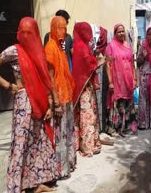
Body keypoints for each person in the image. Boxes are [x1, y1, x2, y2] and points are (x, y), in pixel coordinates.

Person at [0, 17, 59, 192]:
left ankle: (37, 183)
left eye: (29, 32)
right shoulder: (14, 51)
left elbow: (46, 80)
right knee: (20, 143)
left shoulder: (40, 52)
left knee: (39, 141)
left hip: (40, 102)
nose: (26, 35)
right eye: (22, 32)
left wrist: (49, 104)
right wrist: (7, 85)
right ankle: (17, 186)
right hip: (24, 102)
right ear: (18, 33)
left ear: (36, 33)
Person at [44, 16, 76, 178]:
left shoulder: (60, 46)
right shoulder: (50, 47)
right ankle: (60, 169)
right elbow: (50, 77)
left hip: (66, 95)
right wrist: (55, 101)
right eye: (59, 28)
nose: (63, 31)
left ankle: (69, 163)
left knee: (68, 131)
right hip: (59, 98)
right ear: (53, 28)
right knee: (60, 133)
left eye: (64, 28)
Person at [72, 22, 103, 157]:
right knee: (88, 115)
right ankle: (88, 146)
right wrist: (101, 61)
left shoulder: (79, 46)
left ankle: (83, 144)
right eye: (87, 32)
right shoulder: (83, 47)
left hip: (83, 86)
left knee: (82, 115)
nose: (90, 35)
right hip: (85, 88)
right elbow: (89, 66)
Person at [105, 23, 137, 137]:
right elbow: (108, 65)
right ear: (115, 33)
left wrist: (134, 78)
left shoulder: (128, 46)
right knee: (119, 103)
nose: (121, 33)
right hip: (117, 80)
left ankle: (128, 127)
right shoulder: (111, 46)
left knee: (129, 103)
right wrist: (110, 82)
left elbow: (132, 63)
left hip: (128, 79)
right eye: (119, 31)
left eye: (123, 31)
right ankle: (117, 128)